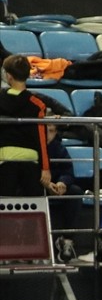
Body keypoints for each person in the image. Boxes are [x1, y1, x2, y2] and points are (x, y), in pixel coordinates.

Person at [0, 56, 54, 198]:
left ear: (9, 76)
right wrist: (45, 168)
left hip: (4, 161)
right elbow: (41, 138)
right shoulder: (37, 104)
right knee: (33, 211)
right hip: (31, 162)